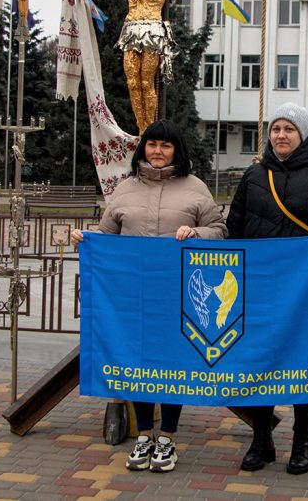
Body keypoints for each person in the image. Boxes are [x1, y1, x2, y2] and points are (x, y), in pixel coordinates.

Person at [71, 120, 227, 473]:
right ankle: (144, 435)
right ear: (143, 149)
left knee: (172, 363)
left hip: (179, 295)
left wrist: (197, 232)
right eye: (152, 145)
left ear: (177, 150)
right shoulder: (124, 189)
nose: (158, 151)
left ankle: (168, 437)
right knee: (138, 363)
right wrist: (87, 239)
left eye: (166, 145)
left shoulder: (195, 188)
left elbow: (220, 230)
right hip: (133, 296)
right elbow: (107, 233)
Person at [226, 102, 308, 476]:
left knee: (302, 362)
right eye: (276, 129)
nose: (281, 135)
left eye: (289, 129)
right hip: (260, 286)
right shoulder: (253, 176)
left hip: (304, 289)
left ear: (304, 135)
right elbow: (234, 229)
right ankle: (261, 438)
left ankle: (302, 439)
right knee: (260, 361)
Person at [74, 0, 233, 133]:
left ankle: (148, 127)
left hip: (153, 32)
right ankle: (141, 127)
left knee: (146, 81)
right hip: (131, 31)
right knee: (132, 81)